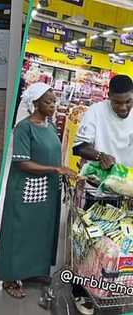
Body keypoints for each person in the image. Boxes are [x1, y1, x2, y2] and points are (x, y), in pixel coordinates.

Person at [0, 83, 74, 299]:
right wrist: (55, 169)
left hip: (47, 191)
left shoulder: (49, 127)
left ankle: (33, 271)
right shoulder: (24, 128)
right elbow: (22, 163)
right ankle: (9, 278)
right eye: (48, 102)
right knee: (19, 231)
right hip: (26, 190)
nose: (53, 106)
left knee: (40, 231)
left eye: (54, 101)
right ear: (35, 103)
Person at [70, 74, 133, 315]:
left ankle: (111, 289)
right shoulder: (95, 111)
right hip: (97, 190)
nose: (123, 107)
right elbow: (79, 147)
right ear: (109, 98)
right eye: (118, 102)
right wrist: (99, 156)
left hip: (126, 193)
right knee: (88, 243)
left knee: (119, 247)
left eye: (128, 101)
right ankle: (80, 291)